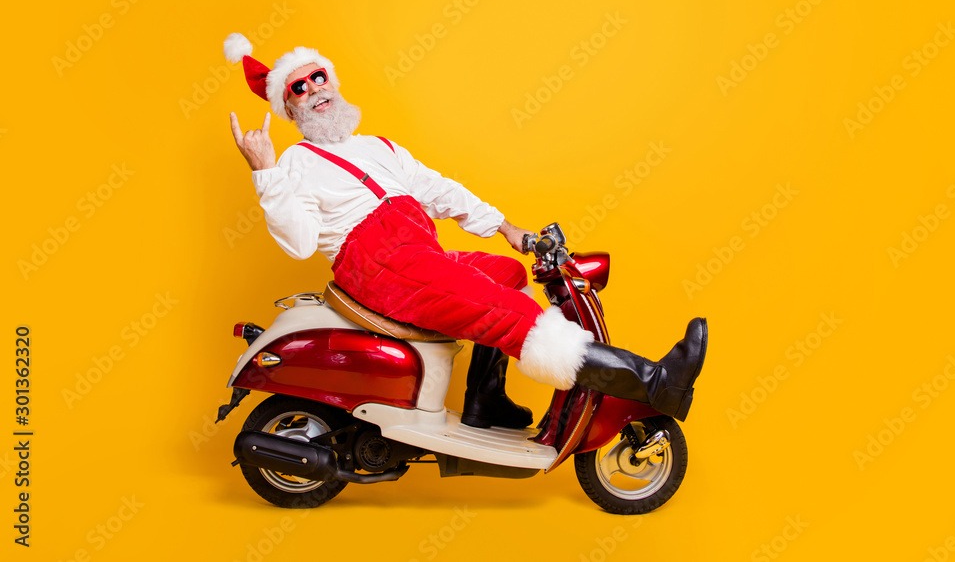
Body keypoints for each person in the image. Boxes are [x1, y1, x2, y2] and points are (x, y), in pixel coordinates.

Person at [224, 33, 707, 427]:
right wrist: (265, 172)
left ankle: (485, 401)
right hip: (378, 265)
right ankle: (657, 382)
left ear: (333, 80)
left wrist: (505, 228)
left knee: (506, 274)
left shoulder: (376, 146)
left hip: (416, 251)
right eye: (299, 88)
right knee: (512, 312)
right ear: (290, 108)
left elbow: (436, 188)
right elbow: (301, 242)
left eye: (318, 76)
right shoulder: (294, 162)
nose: (315, 89)